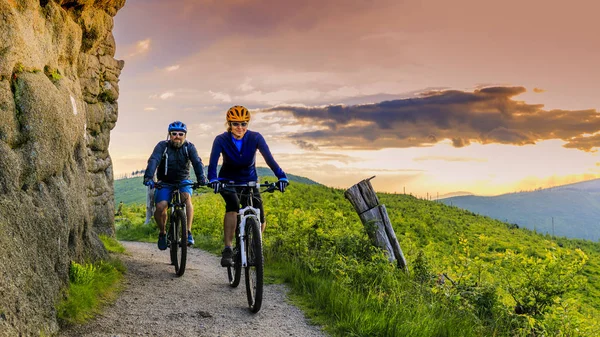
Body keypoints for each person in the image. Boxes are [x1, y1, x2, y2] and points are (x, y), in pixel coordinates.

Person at [207, 105, 289, 267]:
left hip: (249, 181)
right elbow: (212, 163)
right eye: (236, 124)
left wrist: (281, 176)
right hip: (227, 181)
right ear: (229, 124)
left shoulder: (255, 138)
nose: (240, 128)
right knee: (232, 205)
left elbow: (269, 159)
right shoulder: (221, 140)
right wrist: (213, 180)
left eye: (244, 124)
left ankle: (253, 244)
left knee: (260, 215)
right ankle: (228, 248)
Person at [143, 121, 207, 250]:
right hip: (165, 182)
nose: (177, 136)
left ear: (185, 135)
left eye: (180, 134)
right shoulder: (163, 146)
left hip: (183, 181)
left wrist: (202, 179)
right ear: (169, 135)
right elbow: (154, 160)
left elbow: (197, 162)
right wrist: (149, 177)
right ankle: (162, 233)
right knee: (160, 207)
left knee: (186, 198)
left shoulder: (189, 147)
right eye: (174, 134)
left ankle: (188, 232)